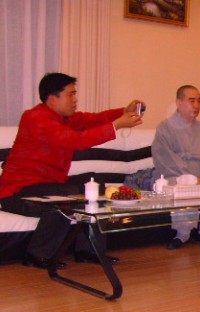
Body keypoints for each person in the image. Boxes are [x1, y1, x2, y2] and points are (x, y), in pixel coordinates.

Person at [0, 72, 144, 269]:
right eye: (71, 94)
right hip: (17, 193)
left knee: (93, 182)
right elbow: (77, 141)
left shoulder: (64, 118)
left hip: (47, 186)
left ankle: (89, 250)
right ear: (52, 99)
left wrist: (123, 112)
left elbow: (93, 119)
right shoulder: (35, 118)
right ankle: (36, 255)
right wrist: (117, 125)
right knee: (66, 194)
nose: (75, 99)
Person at [151, 85, 200, 250]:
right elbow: (165, 159)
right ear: (179, 102)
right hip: (177, 175)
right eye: (191, 101)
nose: (196, 105)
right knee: (181, 187)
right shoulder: (165, 128)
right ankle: (183, 234)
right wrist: (192, 180)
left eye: (199, 101)